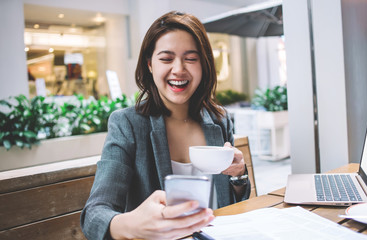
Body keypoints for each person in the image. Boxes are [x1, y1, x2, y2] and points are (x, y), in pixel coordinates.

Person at [81, 11, 250, 240]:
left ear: (204, 64)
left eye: (191, 58)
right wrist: (132, 225)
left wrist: (238, 175)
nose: (179, 69)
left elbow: (235, 201)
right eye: (166, 59)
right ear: (150, 64)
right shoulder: (127, 124)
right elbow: (93, 215)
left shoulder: (220, 120)